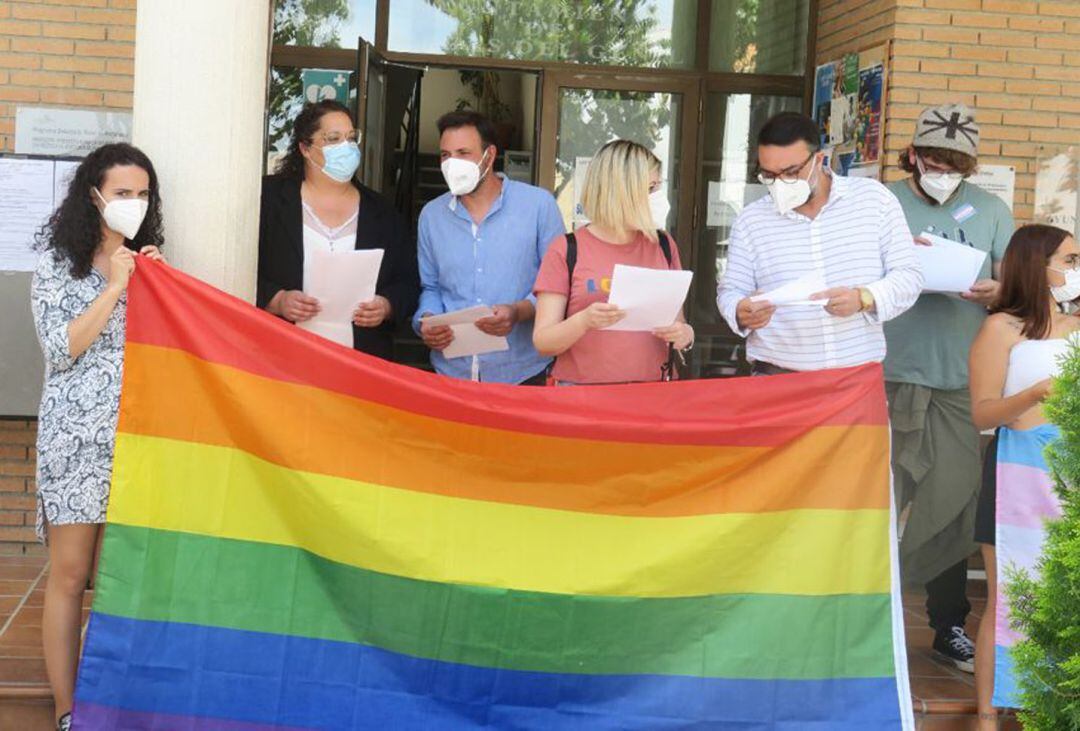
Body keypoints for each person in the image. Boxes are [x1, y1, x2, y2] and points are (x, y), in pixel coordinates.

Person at [31, 143, 166, 731]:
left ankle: (113, 702)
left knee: (120, 580)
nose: (133, 204)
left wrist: (158, 284)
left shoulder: (153, 266)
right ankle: (68, 712)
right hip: (72, 441)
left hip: (136, 438)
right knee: (69, 575)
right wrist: (115, 284)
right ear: (94, 196)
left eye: (142, 194)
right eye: (121, 193)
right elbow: (62, 349)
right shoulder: (56, 266)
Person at [883, 104, 1015, 673]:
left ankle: (947, 624)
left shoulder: (989, 208)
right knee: (881, 502)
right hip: (888, 373)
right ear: (912, 154)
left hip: (961, 379)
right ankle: (870, 612)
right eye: (934, 160)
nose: (943, 171)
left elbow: (1016, 278)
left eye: (956, 164)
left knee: (954, 503)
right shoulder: (882, 201)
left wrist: (997, 291)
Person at [968, 224, 1080, 730]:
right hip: (1017, 470)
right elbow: (983, 414)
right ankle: (989, 715)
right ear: (1039, 265)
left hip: (1071, 469)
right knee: (1010, 593)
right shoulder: (1002, 329)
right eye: (1070, 259)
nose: (1076, 269)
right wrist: (1034, 394)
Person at [716, 111, 922, 374]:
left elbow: (909, 276)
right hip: (777, 379)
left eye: (790, 172)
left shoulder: (874, 201)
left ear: (819, 159)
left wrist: (864, 298)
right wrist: (740, 311)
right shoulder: (752, 220)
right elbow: (731, 289)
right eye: (769, 175)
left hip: (855, 378)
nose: (780, 183)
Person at [258, 100, 419, 359]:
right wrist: (277, 300)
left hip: (359, 362)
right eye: (333, 138)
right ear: (305, 148)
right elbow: (238, 266)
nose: (346, 147)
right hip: (279, 358)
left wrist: (386, 306)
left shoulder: (383, 212)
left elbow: (408, 282)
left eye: (351, 138)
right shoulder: (268, 200)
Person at [413, 110, 565, 384]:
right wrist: (427, 319)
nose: (452, 163)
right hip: (451, 373)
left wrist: (517, 312)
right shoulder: (431, 215)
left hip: (523, 373)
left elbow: (557, 287)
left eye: (463, 152)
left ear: (490, 155)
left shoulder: (539, 207)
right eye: (445, 155)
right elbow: (431, 287)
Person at [532, 139, 693, 384]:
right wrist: (584, 321)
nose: (658, 198)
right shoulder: (567, 249)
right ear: (621, 190)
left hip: (653, 397)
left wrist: (685, 335)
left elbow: (678, 323)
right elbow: (543, 342)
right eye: (650, 189)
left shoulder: (663, 244)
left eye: (658, 187)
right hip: (582, 399)